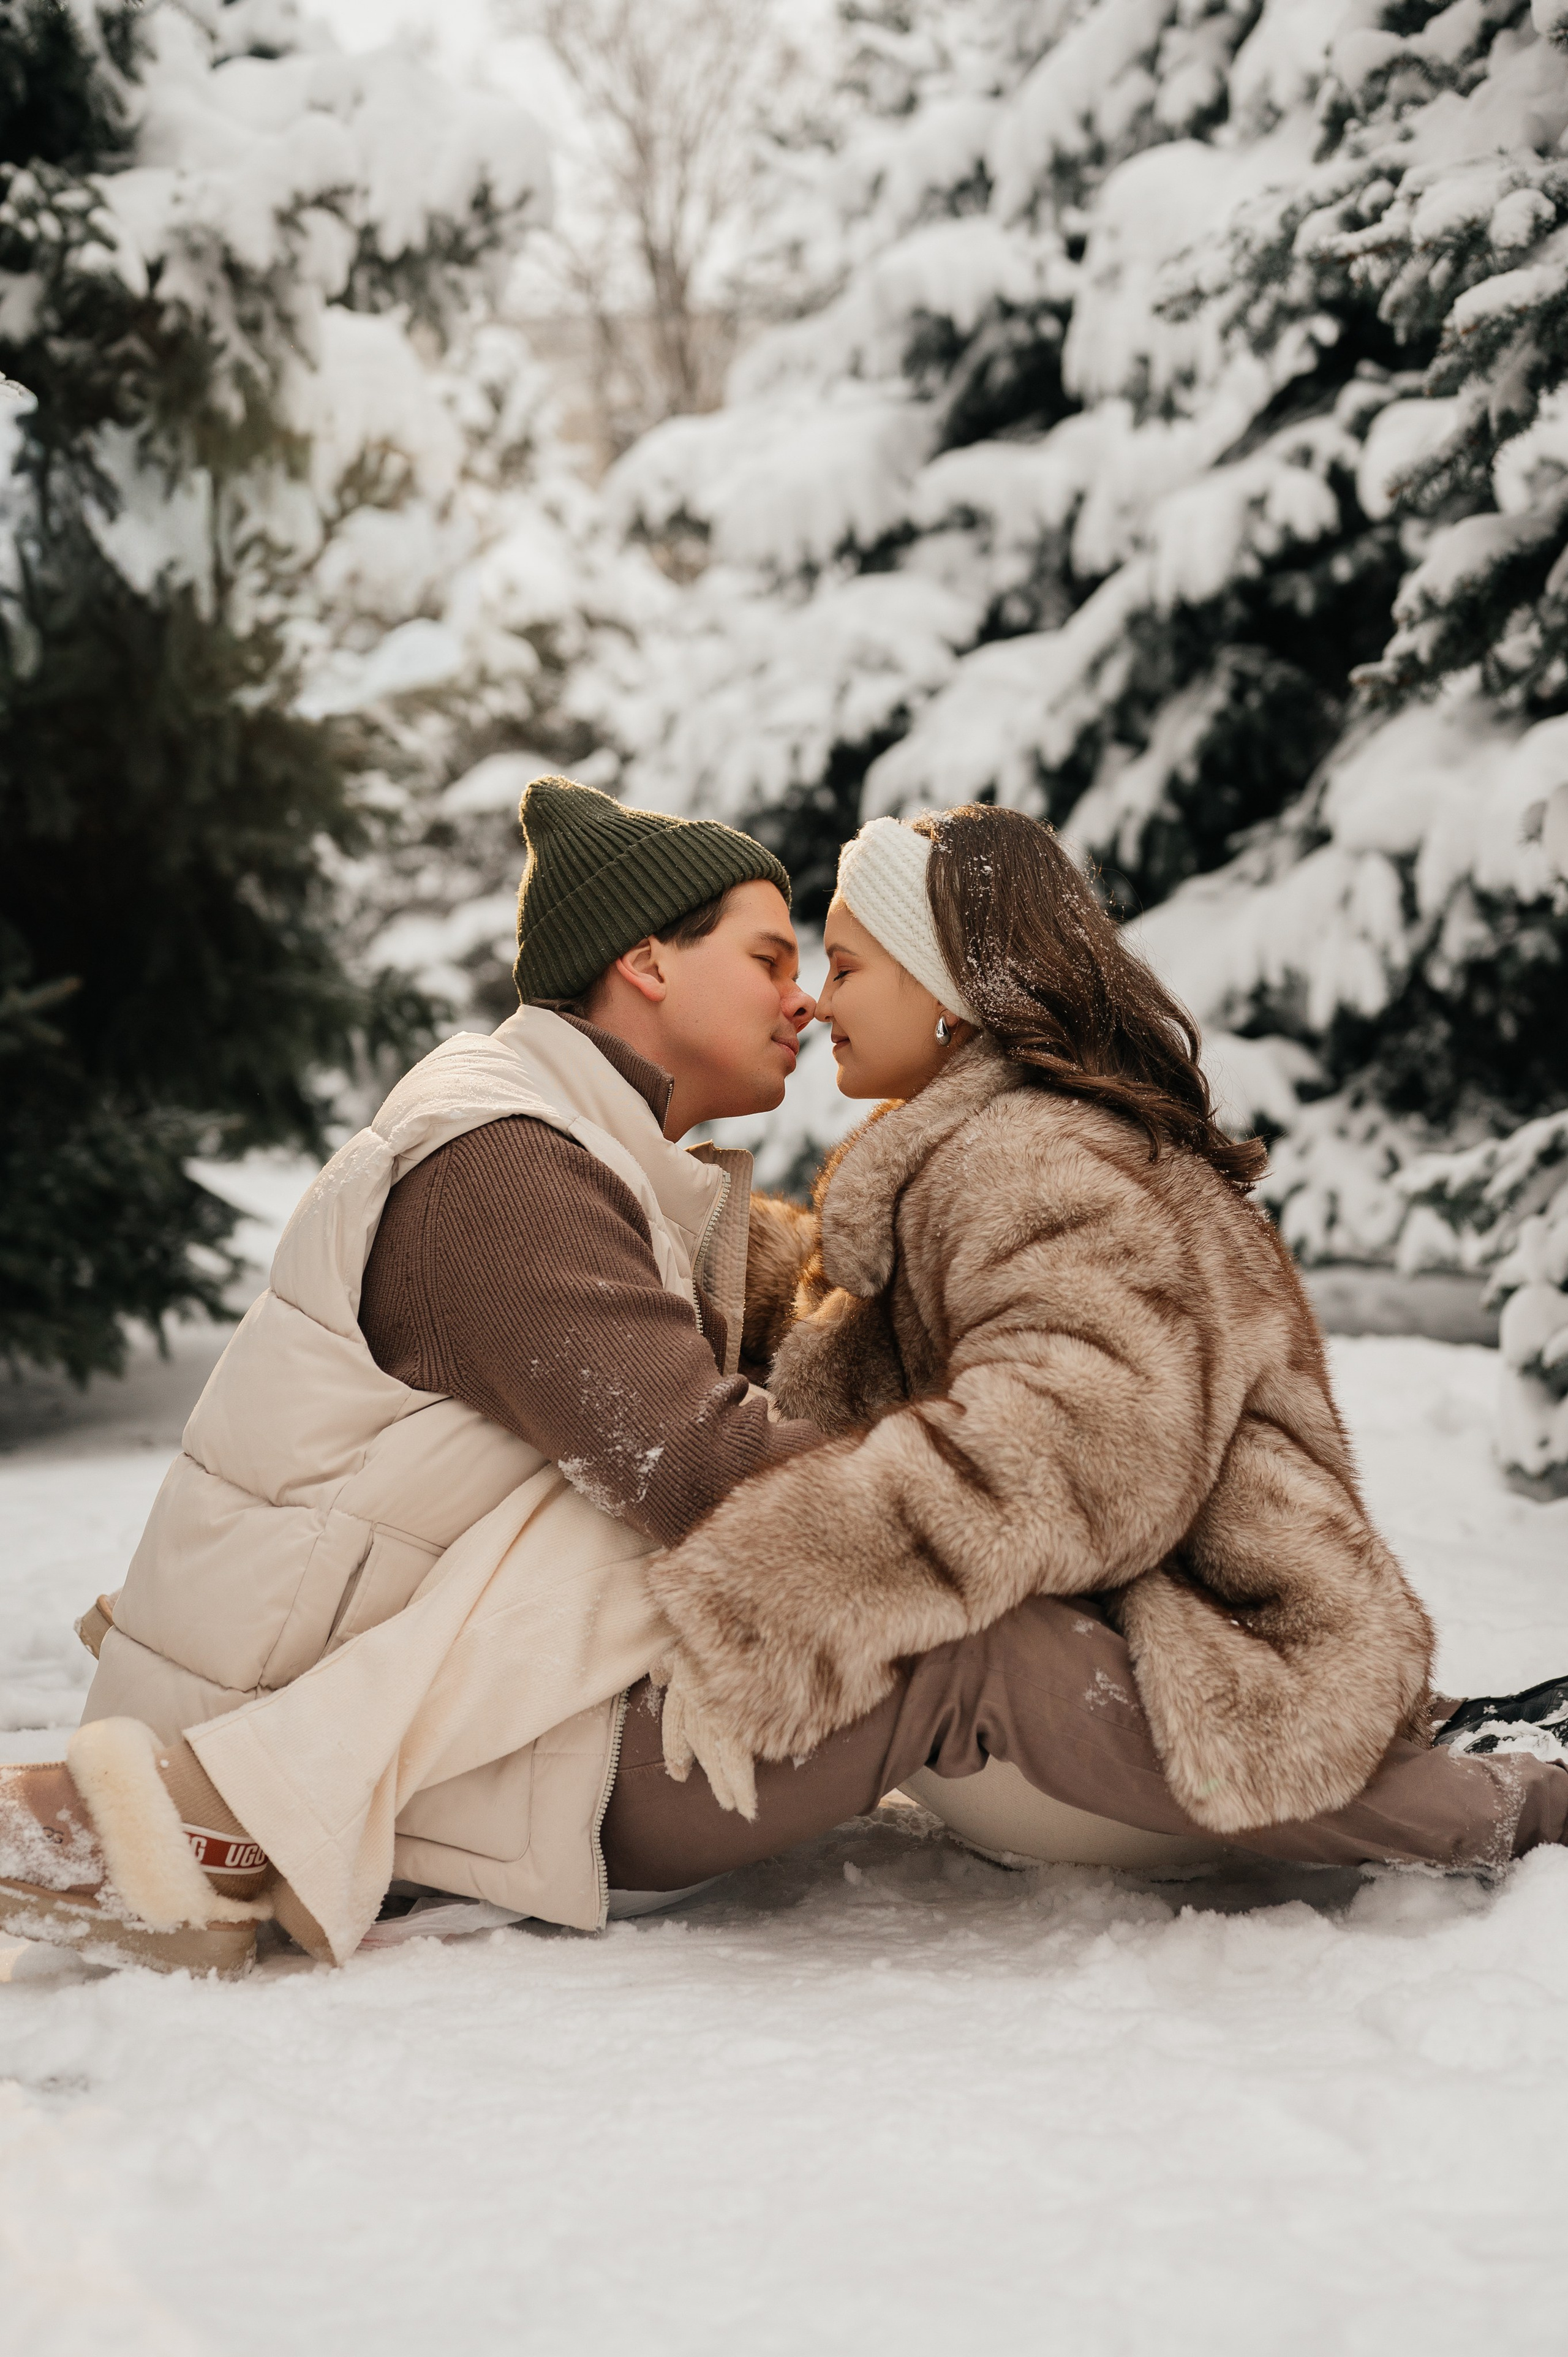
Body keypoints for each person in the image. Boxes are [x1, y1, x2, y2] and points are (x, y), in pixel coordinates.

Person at [601, 806, 1568, 1896]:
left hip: (1223, 1705)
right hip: (1201, 1652)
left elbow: (1086, 1439)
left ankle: (1502, 1801)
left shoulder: (1031, 1156)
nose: (819, 1000)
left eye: (849, 965)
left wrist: (789, 1579)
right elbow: (868, 1333)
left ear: (948, 994)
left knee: (922, 1651)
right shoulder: (997, 1147)